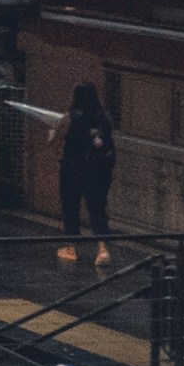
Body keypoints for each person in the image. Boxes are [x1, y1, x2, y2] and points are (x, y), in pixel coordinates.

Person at [55, 78, 116, 266]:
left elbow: (57, 139)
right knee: (97, 209)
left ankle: (71, 247)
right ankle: (103, 249)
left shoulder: (70, 117)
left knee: (71, 207)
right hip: (99, 169)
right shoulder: (103, 117)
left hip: (73, 168)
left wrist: (53, 137)